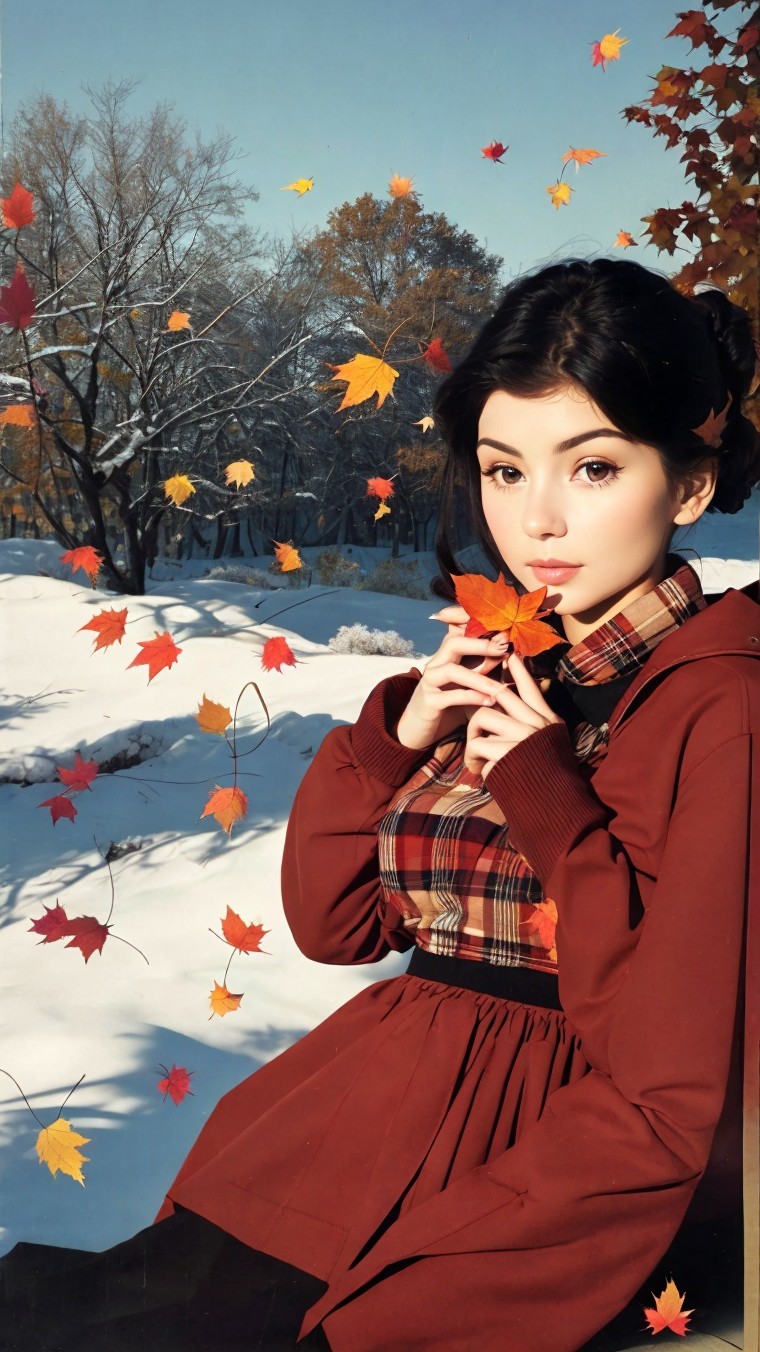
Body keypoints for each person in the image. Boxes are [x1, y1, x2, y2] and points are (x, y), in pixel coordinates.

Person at [1, 256, 759, 1352]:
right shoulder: (506, 670)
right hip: (350, 1133)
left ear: (688, 484)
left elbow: (676, 1073)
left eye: (592, 467)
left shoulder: (720, 701)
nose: (535, 518)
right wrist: (393, 734)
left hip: (527, 1190)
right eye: (503, 469)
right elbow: (337, 924)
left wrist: (547, 799)